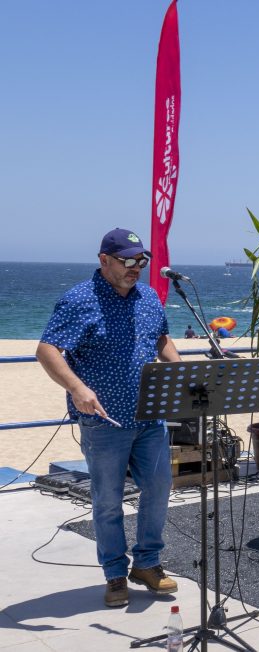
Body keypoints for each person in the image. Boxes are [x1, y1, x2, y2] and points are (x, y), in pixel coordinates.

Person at [36, 228, 181, 608]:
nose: (136, 267)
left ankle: (147, 563)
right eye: (128, 260)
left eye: (141, 261)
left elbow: (161, 338)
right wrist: (77, 388)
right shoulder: (79, 299)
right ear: (104, 260)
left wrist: (179, 371)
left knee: (159, 489)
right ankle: (115, 573)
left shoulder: (148, 297)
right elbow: (47, 350)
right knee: (108, 501)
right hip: (104, 423)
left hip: (150, 416)